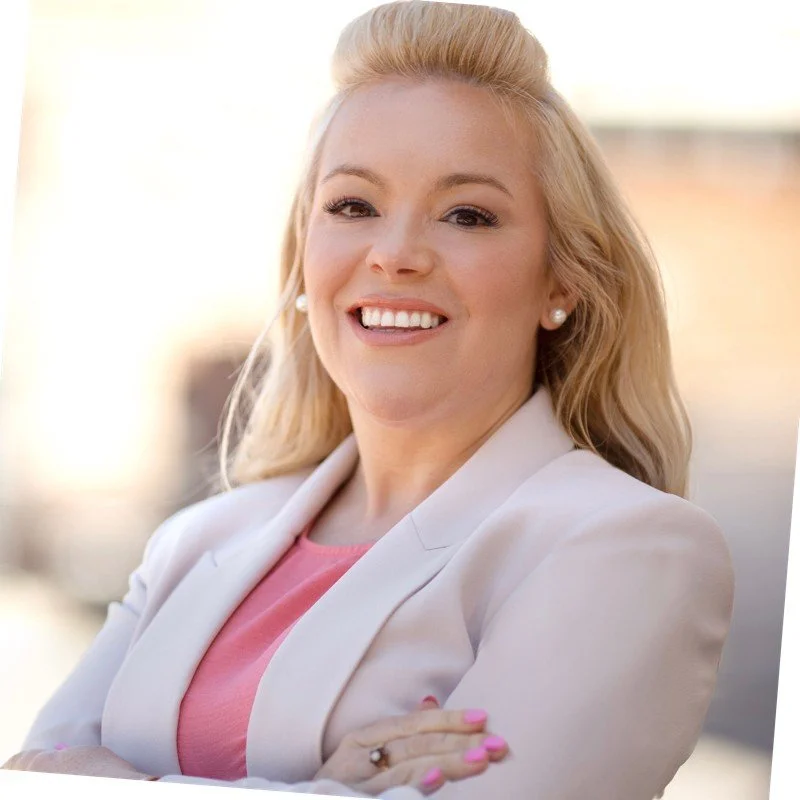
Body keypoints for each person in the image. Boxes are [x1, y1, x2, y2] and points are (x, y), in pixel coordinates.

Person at [2, 2, 734, 798]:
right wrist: (329, 790)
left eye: (467, 214)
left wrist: (116, 781)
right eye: (353, 205)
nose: (394, 255)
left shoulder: (626, 549)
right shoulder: (196, 540)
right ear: (303, 259)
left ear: (560, 281)